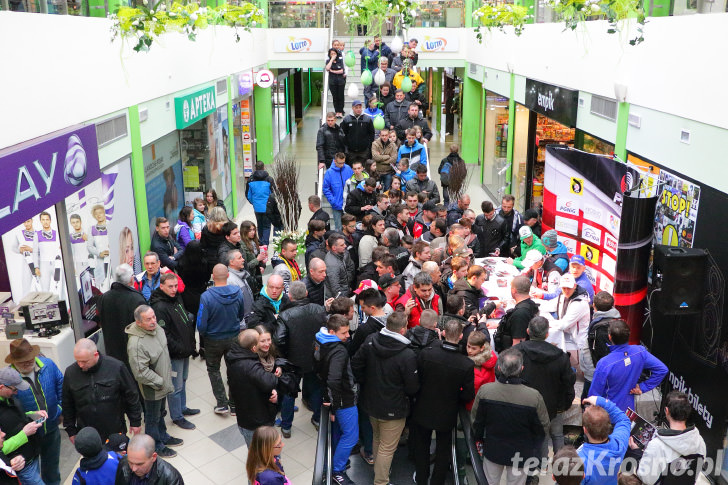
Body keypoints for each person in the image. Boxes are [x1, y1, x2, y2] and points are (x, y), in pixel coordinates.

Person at [351, 311, 418, 485]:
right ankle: (381, 481)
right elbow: (412, 387)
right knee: (387, 448)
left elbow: (356, 363)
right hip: (394, 407)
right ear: (403, 330)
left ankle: (379, 471)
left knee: (377, 439)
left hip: (371, 402)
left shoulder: (371, 340)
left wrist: (366, 383)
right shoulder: (407, 355)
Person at [471, 348, 550, 485]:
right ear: (522, 369)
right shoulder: (533, 396)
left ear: (499, 368)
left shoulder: (486, 391)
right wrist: (533, 447)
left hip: (493, 449)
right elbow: (543, 427)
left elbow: (476, 422)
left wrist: (480, 440)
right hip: (521, 453)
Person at [411, 320, 474, 485]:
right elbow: (468, 394)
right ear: (461, 336)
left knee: (421, 447)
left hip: (423, 408)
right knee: (443, 449)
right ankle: (437, 481)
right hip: (447, 412)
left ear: (443, 333)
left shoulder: (426, 354)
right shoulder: (466, 364)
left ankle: (421, 479)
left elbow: (417, 380)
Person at [514, 316, 576, 465]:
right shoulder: (560, 356)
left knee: (539, 435)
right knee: (557, 434)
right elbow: (568, 381)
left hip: (526, 404)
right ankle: (560, 465)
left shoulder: (517, 352)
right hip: (554, 404)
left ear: (528, 331)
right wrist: (566, 402)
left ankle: (541, 465)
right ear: (547, 334)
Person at [63, 339, 142, 444]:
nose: (80, 365)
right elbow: (67, 403)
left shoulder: (116, 367)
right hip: (87, 433)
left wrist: (135, 421)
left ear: (95, 355)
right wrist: (71, 430)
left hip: (115, 429)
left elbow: (131, 395)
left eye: (84, 361)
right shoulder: (71, 373)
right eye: (78, 361)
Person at [7, 339, 64, 485]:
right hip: (28, 437)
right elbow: (9, 410)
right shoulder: (9, 378)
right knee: (32, 473)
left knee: (52, 469)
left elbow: (61, 385)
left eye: (29, 360)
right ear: (14, 361)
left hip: (51, 428)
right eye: (22, 362)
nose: (27, 364)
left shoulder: (48, 365)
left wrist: (59, 409)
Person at [126, 305, 179, 457]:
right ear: (138, 322)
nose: (153, 321)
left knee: (160, 413)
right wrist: (161, 381)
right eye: (148, 319)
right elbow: (140, 372)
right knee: (152, 418)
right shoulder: (136, 343)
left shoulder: (158, 330)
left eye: (154, 317)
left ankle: (163, 436)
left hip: (163, 382)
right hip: (153, 387)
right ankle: (155, 445)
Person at [276, 281, 327, 435]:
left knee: (289, 393)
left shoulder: (284, 316)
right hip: (315, 358)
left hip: (293, 361)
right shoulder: (319, 310)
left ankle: (286, 426)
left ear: (290, 297)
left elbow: (278, 340)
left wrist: (285, 355)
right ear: (306, 294)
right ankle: (317, 418)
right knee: (317, 390)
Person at [149, 273, 199, 431]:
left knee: (183, 381)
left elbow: (184, 319)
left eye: (175, 286)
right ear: (161, 286)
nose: (174, 289)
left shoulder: (176, 298)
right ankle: (177, 416)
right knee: (175, 387)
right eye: (170, 287)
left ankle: (183, 408)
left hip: (184, 351)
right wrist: (181, 348)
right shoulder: (159, 307)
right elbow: (165, 335)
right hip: (175, 354)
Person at [313, 315, 358, 485]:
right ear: (332, 332)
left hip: (328, 395)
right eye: (344, 333)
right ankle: (337, 470)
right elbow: (334, 379)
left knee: (338, 432)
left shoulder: (318, 340)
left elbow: (317, 369)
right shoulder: (339, 350)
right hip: (344, 399)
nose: (348, 335)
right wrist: (336, 405)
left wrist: (326, 396)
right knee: (351, 436)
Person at [197, 264, 247, 415]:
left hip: (213, 340)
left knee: (214, 370)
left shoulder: (206, 297)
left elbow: (201, 323)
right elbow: (240, 315)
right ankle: (234, 405)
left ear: (212, 276)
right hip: (233, 337)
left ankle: (222, 403)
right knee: (233, 369)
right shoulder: (237, 292)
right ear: (227, 276)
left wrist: (205, 334)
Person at [589, 319, 668, 412]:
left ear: (609, 337)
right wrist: (642, 387)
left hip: (607, 414)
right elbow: (662, 370)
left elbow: (593, 396)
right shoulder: (640, 352)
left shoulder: (604, 363)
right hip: (627, 412)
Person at [633, 391, 706, 485]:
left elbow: (647, 479)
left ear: (666, 411)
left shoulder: (657, 445)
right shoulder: (700, 441)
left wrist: (636, 452)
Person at [226, 329, 279, 446]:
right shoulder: (250, 366)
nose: (266, 344)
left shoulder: (234, 357)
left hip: (245, 417)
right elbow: (270, 381)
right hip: (256, 422)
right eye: (260, 341)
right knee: (263, 456)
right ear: (254, 348)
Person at [0, 367, 45, 485]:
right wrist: (24, 434)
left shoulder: (8, 398)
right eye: (14, 390)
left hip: (32, 455)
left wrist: (32, 415)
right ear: (1, 387)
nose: (16, 393)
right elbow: (1, 449)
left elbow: (14, 418)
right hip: (20, 464)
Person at [97, 263, 147, 368]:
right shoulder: (137, 299)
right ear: (131, 279)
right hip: (133, 352)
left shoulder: (103, 298)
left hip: (111, 351)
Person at [578, 395, 631, 485]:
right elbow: (623, 419)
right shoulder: (619, 444)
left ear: (585, 430)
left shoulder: (579, 459)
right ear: (608, 426)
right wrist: (600, 401)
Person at [581, 291, 623, 398]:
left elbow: (593, 351)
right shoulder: (618, 321)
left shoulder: (598, 327)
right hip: (614, 371)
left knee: (588, 399)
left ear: (594, 305)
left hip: (595, 372)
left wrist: (589, 370)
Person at [540, 273, 591, 358]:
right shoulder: (563, 296)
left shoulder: (580, 303)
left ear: (575, 286)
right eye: (564, 288)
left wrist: (545, 322)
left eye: (569, 288)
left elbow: (563, 325)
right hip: (568, 338)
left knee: (584, 369)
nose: (566, 291)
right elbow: (547, 306)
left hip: (579, 345)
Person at [115, 434, 184, 485]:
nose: (134, 469)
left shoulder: (170, 478)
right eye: (130, 462)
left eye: (139, 464)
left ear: (153, 457)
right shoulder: (123, 462)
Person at [495, 275, 540, 351]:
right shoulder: (530, 304)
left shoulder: (520, 314)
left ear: (514, 290)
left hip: (513, 357)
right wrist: (499, 325)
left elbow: (518, 345)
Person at [465, 331, 497, 411]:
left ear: (482, 348)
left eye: (473, 348)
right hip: (488, 401)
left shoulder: (471, 364)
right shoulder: (490, 359)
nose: (469, 351)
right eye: (468, 346)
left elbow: (476, 384)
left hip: (473, 404)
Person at [322, 153, 354, 231]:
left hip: (348, 204)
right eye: (340, 163)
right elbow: (326, 189)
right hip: (337, 205)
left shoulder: (348, 169)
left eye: (343, 162)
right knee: (339, 228)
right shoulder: (329, 173)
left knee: (351, 228)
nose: (342, 165)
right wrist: (333, 201)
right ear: (335, 161)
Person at [247, 161, 275, 245]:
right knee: (267, 226)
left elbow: (248, 195)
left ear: (255, 168)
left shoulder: (250, 180)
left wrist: (254, 203)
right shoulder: (269, 179)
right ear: (264, 168)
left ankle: (261, 242)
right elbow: (273, 194)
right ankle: (265, 243)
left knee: (260, 225)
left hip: (257, 207)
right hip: (267, 208)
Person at [342, 100, 375, 164]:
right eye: (356, 108)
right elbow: (343, 135)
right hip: (351, 152)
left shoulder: (367, 119)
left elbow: (371, 134)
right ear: (352, 108)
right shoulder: (346, 119)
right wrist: (346, 149)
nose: (358, 109)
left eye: (360, 107)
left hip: (364, 151)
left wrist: (368, 148)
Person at [324, 233, 355, 299]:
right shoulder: (332, 265)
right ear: (334, 248)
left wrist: (347, 283)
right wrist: (342, 301)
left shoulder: (341, 254)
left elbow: (350, 266)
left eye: (344, 243)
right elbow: (335, 288)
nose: (345, 246)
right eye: (342, 245)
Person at [226, 249, 255, 316]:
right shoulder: (230, 280)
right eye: (239, 258)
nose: (243, 260)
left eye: (242, 257)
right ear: (232, 262)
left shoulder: (242, 274)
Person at [240, 220, 267, 292]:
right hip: (250, 277)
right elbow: (245, 266)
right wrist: (257, 260)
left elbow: (260, 258)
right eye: (250, 230)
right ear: (244, 231)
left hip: (258, 275)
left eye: (254, 230)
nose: (253, 232)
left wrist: (262, 266)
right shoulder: (242, 245)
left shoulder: (255, 241)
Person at [326, 42, 346, 118]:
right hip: (332, 82)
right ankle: (336, 111)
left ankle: (340, 111)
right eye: (332, 54)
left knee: (340, 96)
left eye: (334, 53)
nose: (333, 55)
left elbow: (341, 70)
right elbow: (327, 68)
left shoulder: (340, 60)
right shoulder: (328, 61)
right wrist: (331, 60)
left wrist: (332, 71)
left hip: (340, 81)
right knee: (335, 97)